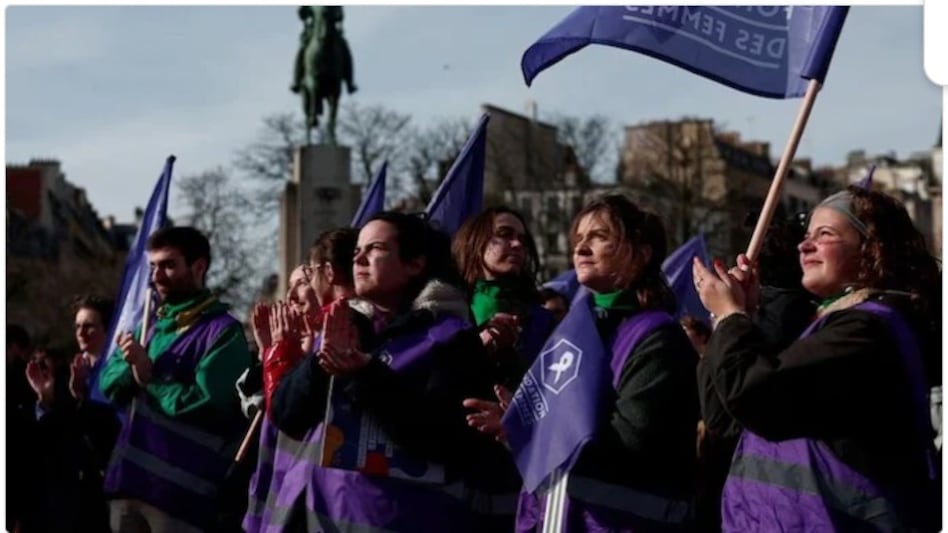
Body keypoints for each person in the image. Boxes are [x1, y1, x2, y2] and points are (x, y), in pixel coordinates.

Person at [694, 185, 942, 531]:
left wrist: (731, 317)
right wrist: (736, 319)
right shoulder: (828, 325)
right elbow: (724, 418)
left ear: (872, 249)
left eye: (824, 234)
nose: (804, 245)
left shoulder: (867, 331)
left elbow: (755, 394)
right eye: (806, 234)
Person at [471, 195, 699, 531]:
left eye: (599, 237)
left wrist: (531, 430)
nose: (580, 248)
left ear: (641, 254)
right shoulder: (574, 329)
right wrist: (515, 424)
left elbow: (629, 446)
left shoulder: (658, 338)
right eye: (578, 239)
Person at [261, 212, 495, 532]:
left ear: (415, 264)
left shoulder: (451, 337)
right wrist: (318, 365)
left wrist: (367, 375)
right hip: (324, 520)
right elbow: (287, 416)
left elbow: (449, 440)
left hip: (409, 521)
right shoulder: (344, 326)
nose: (359, 258)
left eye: (375, 248)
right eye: (357, 250)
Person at [98, 226, 252, 532]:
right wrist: (132, 368)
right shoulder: (149, 324)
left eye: (169, 265)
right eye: (153, 266)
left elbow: (209, 404)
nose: (157, 276)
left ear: (198, 267)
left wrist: (150, 378)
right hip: (127, 485)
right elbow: (108, 384)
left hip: (180, 498)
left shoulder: (223, 333)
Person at [243, 228, 360, 533]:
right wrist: (268, 354)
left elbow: (287, 413)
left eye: (304, 281)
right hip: (279, 495)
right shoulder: (314, 341)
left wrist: (282, 352)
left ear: (328, 274)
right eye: (290, 286)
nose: (291, 297)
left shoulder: (346, 334)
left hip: (308, 501)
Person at [452, 206, 555, 389]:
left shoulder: (543, 320)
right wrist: (477, 349)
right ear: (476, 241)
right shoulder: (446, 310)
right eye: (504, 234)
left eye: (523, 240)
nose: (517, 244)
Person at [19, 347, 120, 533]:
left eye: (45, 362)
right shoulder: (23, 411)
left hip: (85, 514)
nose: (41, 369)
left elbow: (103, 438)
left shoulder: (79, 403)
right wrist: (44, 401)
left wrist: (79, 395)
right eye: (35, 363)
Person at [68, 295, 115, 405]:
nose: (81, 333)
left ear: (107, 328)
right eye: (77, 327)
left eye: (88, 326)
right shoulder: (75, 371)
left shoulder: (119, 366)